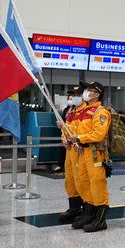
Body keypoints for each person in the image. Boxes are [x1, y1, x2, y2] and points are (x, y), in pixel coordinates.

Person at [69, 82, 112, 233]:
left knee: (97, 184)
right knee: (84, 183)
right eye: (87, 89)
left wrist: (80, 138)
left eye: (90, 90)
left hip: (95, 154)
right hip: (82, 152)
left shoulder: (101, 112)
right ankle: (89, 213)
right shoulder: (83, 111)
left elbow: (99, 134)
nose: (86, 92)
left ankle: (100, 220)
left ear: (97, 94)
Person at [56, 85, 85, 224]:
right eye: (73, 95)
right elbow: (66, 131)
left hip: (81, 150)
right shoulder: (71, 111)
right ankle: (74, 209)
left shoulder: (86, 111)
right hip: (70, 151)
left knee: (82, 181)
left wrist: (72, 137)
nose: (74, 97)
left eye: (77, 94)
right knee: (71, 181)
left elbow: (79, 130)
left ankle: (86, 211)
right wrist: (65, 140)